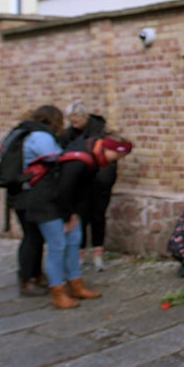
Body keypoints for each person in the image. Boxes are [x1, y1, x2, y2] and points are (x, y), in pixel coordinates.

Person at [17, 134, 133, 309]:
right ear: (108, 148)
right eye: (117, 155)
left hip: (66, 207)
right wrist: (66, 216)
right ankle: (57, 291)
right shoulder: (80, 160)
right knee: (57, 246)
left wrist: (75, 214)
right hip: (47, 204)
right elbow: (64, 188)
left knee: (74, 241)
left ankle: (76, 284)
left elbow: (82, 191)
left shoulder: (93, 159)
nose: (118, 160)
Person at [10, 104, 66, 297]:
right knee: (32, 238)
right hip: (31, 192)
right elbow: (56, 158)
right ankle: (28, 280)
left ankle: (33, 276)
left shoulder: (21, 132)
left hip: (18, 191)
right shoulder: (40, 136)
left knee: (33, 237)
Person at [60, 100, 117, 271]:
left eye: (77, 120)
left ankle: (98, 255)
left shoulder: (100, 132)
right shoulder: (68, 134)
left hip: (99, 181)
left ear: (84, 116)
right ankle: (80, 254)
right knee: (80, 218)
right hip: (79, 184)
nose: (74, 124)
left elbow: (107, 160)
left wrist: (105, 181)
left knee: (98, 216)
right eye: (71, 120)